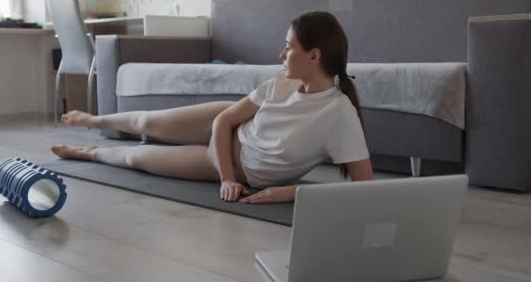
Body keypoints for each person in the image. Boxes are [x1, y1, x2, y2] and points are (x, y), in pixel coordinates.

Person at [51, 11, 373, 204]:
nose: (281, 54)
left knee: (137, 157)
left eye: (288, 48)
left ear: (314, 56)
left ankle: (87, 152)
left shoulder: (339, 113)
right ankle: (93, 119)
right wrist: (227, 181)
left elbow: (364, 190)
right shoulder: (282, 82)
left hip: (229, 163)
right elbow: (224, 121)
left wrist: (286, 192)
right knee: (148, 121)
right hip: (223, 128)